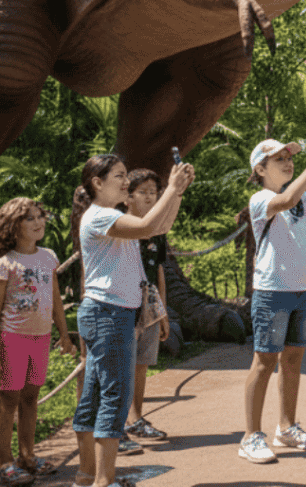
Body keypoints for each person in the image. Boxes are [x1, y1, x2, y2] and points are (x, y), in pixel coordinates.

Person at [70, 153, 195, 487]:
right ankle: (104, 480)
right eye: (119, 176)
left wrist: (177, 192)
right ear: (97, 183)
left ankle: (87, 475)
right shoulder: (98, 217)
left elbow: (160, 226)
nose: (127, 181)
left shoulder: (112, 216)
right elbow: (147, 226)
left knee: (96, 396)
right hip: (108, 314)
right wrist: (171, 187)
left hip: (112, 313)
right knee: (114, 397)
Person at [240, 138, 306, 465]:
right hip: (273, 292)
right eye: (279, 159)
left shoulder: (302, 197)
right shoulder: (261, 198)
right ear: (260, 169)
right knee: (265, 361)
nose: (288, 162)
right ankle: (250, 436)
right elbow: (285, 200)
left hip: (303, 289)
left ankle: (286, 428)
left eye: (290, 157)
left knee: (293, 359)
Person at [0, 197, 77, 486]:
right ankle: (3, 465)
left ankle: (27, 455)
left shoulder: (48, 257)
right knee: (8, 399)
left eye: (41, 216)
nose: (39, 222)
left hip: (41, 339)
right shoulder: (5, 264)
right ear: (14, 226)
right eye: (30, 218)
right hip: (12, 340)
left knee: (31, 398)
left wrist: (64, 333)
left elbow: (56, 300)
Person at [123, 168, 171, 446]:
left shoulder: (157, 230)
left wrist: (162, 311)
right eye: (143, 192)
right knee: (123, 365)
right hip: (125, 301)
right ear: (127, 196)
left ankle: (136, 419)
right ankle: (117, 425)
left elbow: (159, 271)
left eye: (154, 192)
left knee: (142, 364)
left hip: (150, 300)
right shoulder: (120, 225)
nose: (150, 197)